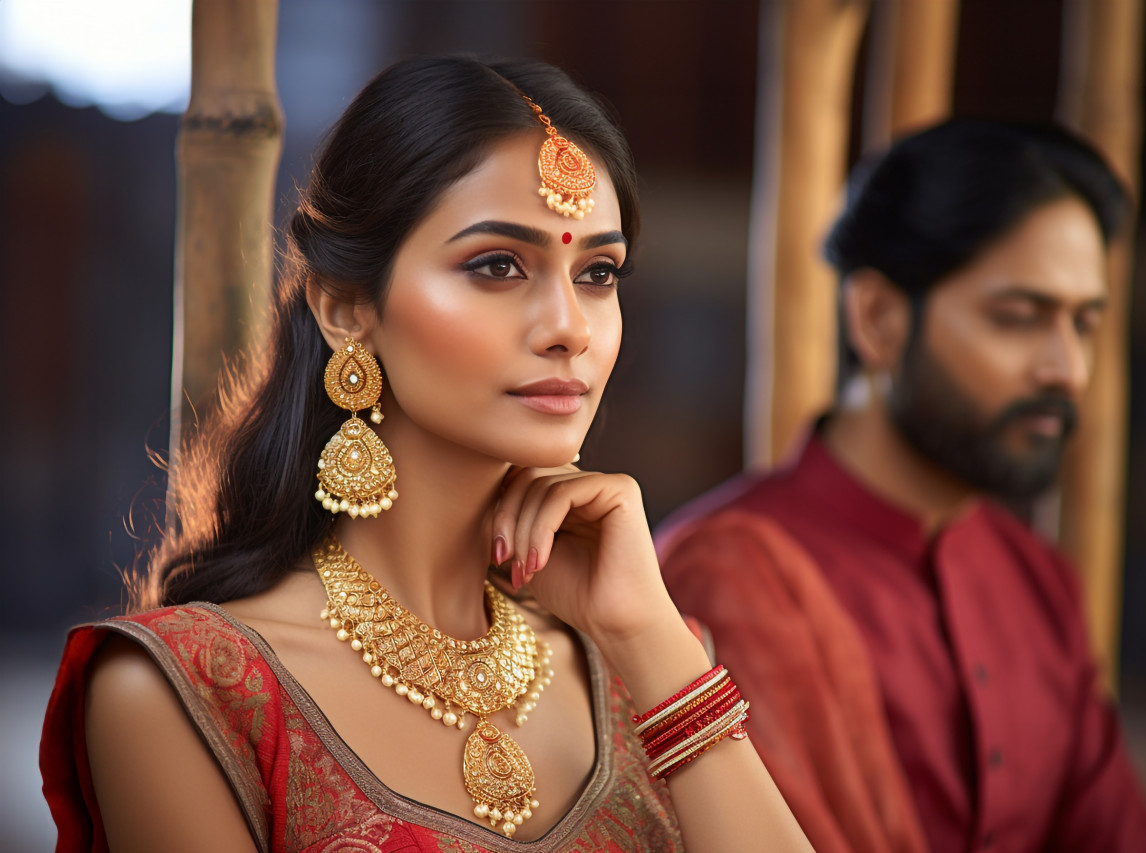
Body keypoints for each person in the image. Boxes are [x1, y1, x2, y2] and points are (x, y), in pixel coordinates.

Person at [40, 55, 815, 853]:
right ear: (347, 309)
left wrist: (651, 639)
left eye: (597, 273)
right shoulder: (187, 693)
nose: (570, 327)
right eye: (498, 266)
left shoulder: (650, 663)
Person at [656, 120, 1146, 853]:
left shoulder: (1037, 583)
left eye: (1084, 324)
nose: (1067, 369)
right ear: (878, 318)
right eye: (1020, 318)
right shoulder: (729, 579)